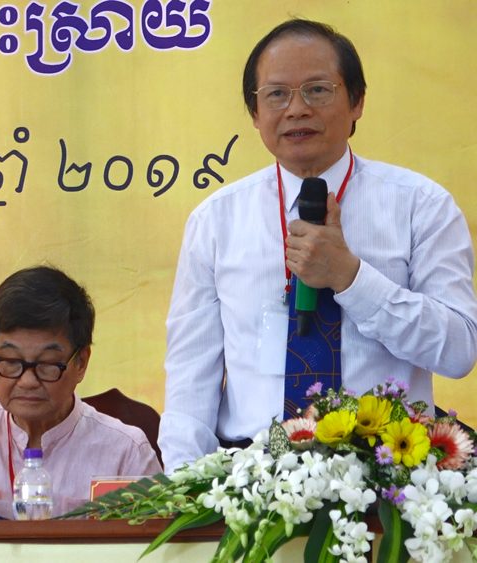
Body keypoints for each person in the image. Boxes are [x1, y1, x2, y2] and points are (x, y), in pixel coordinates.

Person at [158, 19, 477, 471]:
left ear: (357, 102)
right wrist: (183, 485)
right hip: (250, 475)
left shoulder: (421, 206)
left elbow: (458, 350)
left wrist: (352, 279)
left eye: (317, 90)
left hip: (387, 475)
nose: (296, 109)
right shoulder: (216, 220)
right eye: (276, 94)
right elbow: (191, 375)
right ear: (255, 114)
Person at [0, 266, 162, 518]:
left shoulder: (126, 451)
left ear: (81, 363)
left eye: (47, 364)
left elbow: (157, 540)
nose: (27, 381)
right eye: (11, 361)